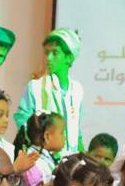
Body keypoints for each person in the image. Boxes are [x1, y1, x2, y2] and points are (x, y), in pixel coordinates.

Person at [14, 28, 85, 156]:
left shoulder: (77, 90)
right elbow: (23, 123)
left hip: (70, 158)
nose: (48, 58)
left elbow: (77, 131)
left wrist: (82, 156)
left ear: (69, 58)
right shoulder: (35, 87)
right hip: (42, 158)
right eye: (47, 53)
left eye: (55, 53)